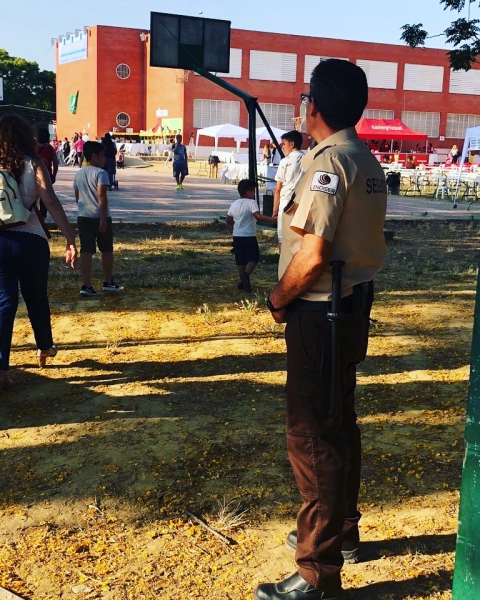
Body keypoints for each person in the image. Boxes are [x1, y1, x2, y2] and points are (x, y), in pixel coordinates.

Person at [255, 58, 387, 600]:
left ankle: (317, 572)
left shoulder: (330, 163)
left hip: (320, 312)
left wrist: (277, 299)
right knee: (339, 423)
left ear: (314, 105)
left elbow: (311, 256)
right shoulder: (364, 157)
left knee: (312, 438)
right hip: (350, 306)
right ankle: (340, 531)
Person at [0, 114, 77, 390]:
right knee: (36, 298)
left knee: (4, 303)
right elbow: (51, 202)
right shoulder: (34, 165)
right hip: (31, 241)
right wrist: (69, 238)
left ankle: (1, 368)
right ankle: (44, 347)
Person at [73, 141, 124, 297]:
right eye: (101, 154)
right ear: (94, 156)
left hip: (83, 216)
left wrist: (84, 206)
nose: (104, 158)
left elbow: (77, 195)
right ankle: (107, 281)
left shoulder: (79, 173)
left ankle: (86, 285)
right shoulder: (101, 173)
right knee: (106, 250)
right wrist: (103, 218)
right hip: (99, 216)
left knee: (86, 251)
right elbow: (101, 195)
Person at [225, 179, 277, 293]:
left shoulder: (234, 204)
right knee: (253, 257)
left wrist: (237, 222)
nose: (254, 194)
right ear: (249, 192)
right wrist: (272, 219)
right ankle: (246, 275)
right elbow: (257, 216)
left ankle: (242, 279)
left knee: (240, 258)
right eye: (253, 191)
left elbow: (228, 220)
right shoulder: (252, 203)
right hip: (249, 234)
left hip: (237, 235)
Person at [272, 130, 304, 250]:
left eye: (284, 144)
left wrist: (275, 209)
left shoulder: (285, 161)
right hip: (302, 201)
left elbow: (278, 188)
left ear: (292, 144)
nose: (283, 147)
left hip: (286, 201)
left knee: (282, 237)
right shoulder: (308, 159)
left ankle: (283, 263)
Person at [36, 127, 59, 218]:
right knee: (44, 197)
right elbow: (55, 164)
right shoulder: (50, 148)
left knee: (33, 195)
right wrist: (54, 175)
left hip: (35, 175)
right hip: (47, 175)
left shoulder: (34, 147)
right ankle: (43, 216)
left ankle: (33, 214)